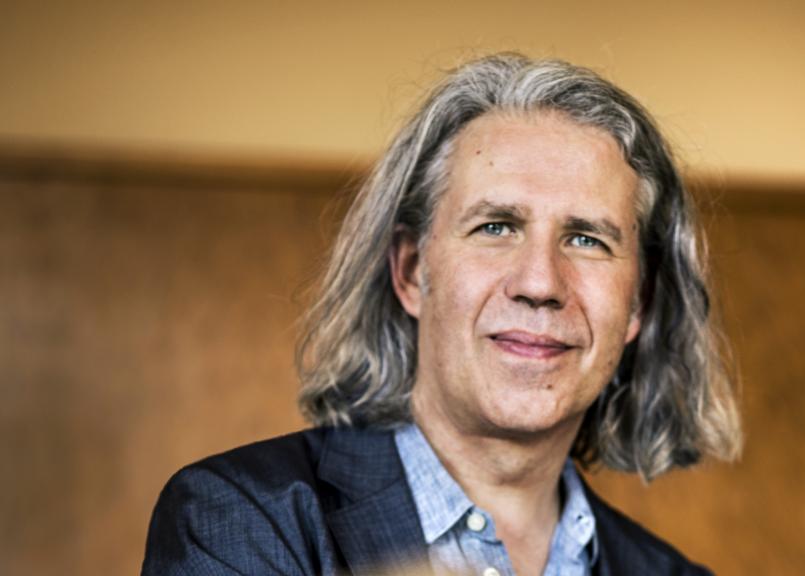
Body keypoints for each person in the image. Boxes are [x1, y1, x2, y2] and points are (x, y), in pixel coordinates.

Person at [143, 53, 741, 576]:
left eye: (587, 239)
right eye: (495, 227)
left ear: (638, 304)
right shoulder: (241, 520)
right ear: (411, 272)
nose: (540, 283)